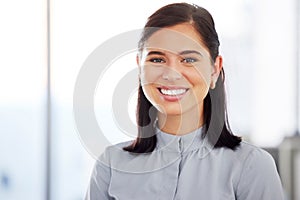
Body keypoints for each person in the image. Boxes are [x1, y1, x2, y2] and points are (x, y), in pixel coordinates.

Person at [85, 2, 284, 200]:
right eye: (157, 59)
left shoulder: (252, 166)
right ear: (140, 66)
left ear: (214, 69)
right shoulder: (110, 165)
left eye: (188, 60)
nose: (171, 75)